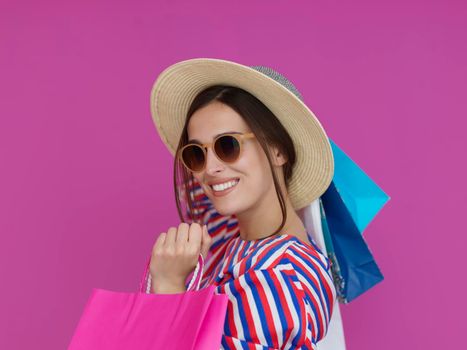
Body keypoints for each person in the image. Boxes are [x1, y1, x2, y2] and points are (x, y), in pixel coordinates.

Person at [147, 58, 337, 349]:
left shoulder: (277, 282)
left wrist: (169, 287)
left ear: (277, 150)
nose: (209, 168)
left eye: (228, 146)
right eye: (196, 154)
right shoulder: (237, 241)